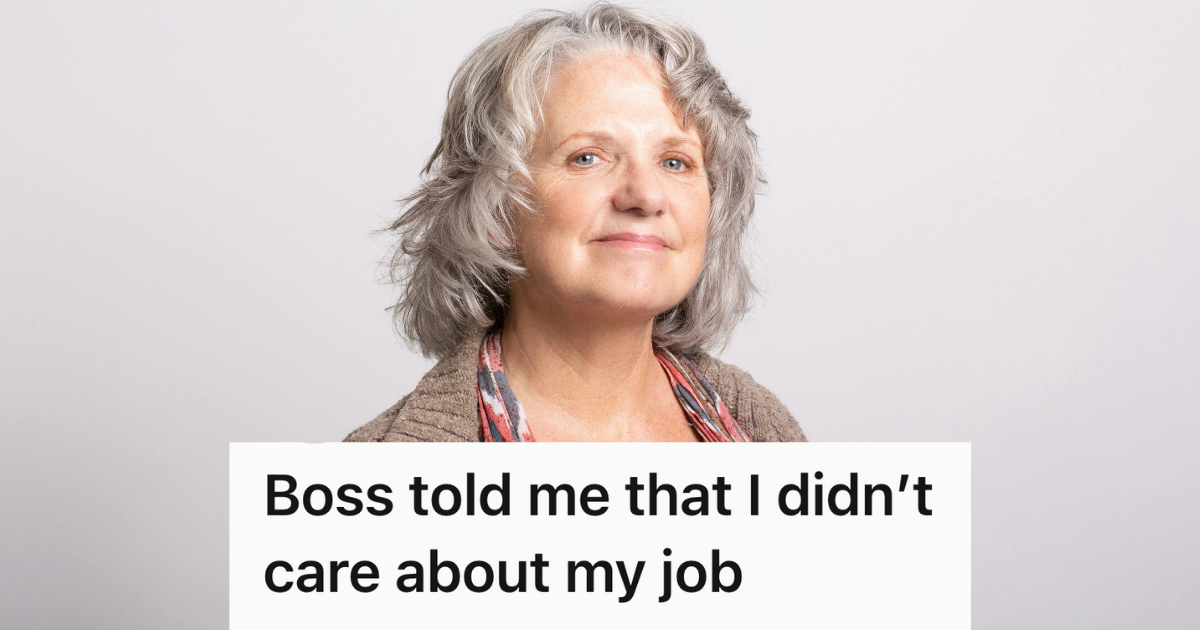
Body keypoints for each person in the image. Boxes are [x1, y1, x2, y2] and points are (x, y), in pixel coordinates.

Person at [346, 2, 805, 443]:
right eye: (587, 157)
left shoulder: (766, 433)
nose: (646, 196)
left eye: (675, 162)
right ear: (493, 208)